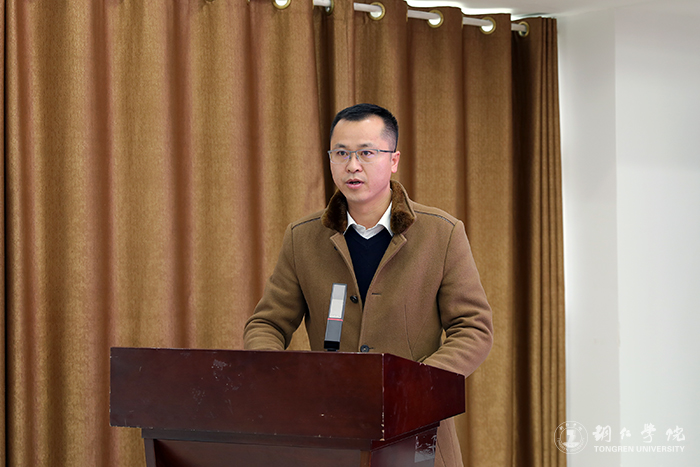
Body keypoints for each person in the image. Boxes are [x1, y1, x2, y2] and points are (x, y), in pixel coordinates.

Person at [244, 103, 493, 467]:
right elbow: (266, 323)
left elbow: (474, 328)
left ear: (393, 160)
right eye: (341, 153)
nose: (352, 165)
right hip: (329, 430)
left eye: (366, 153)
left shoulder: (441, 233)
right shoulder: (303, 238)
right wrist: (283, 380)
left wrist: (417, 383)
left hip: (416, 427)